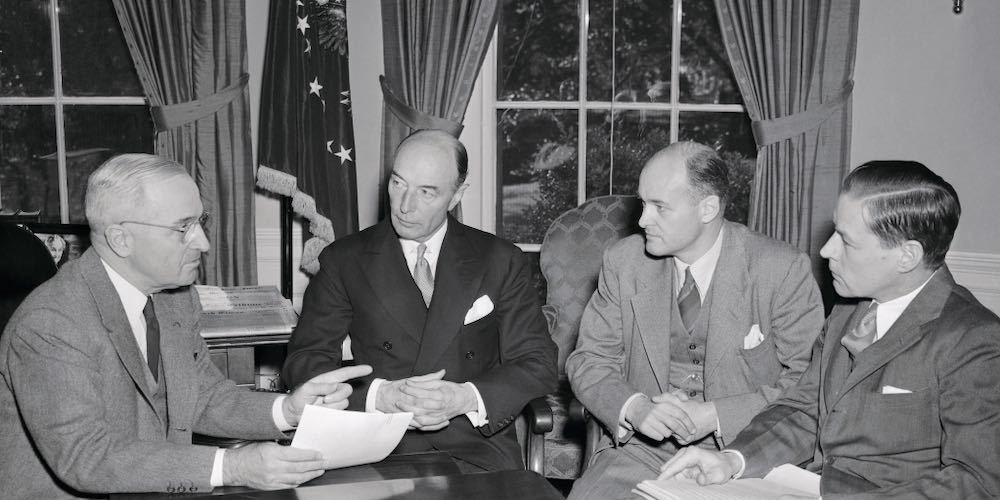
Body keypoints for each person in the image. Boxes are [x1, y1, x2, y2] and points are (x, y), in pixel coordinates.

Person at [0, 154, 373, 499]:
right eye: (183, 228)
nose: (204, 242)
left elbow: (202, 397)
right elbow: (87, 457)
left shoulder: (175, 297)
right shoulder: (51, 324)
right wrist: (234, 467)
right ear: (120, 238)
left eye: (200, 222)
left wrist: (288, 410)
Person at [660, 161, 1000, 498]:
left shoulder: (974, 339)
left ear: (907, 256)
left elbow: (977, 482)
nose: (826, 250)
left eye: (847, 242)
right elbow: (806, 410)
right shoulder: (848, 313)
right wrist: (732, 460)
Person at [282, 129, 559, 472]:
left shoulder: (500, 259)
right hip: (376, 448)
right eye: (398, 184)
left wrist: (465, 397)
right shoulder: (345, 259)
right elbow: (304, 362)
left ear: (457, 195)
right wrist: (378, 396)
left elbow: (538, 363)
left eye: (426, 192)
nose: (404, 206)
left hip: (474, 451)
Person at [565, 141, 825, 499]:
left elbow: (810, 386)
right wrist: (635, 407)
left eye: (660, 207)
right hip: (642, 454)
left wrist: (716, 415)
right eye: (643, 204)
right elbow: (588, 360)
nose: (642, 221)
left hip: (745, 457)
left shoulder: (780, 269)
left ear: (708, 208)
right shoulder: (623, 263)